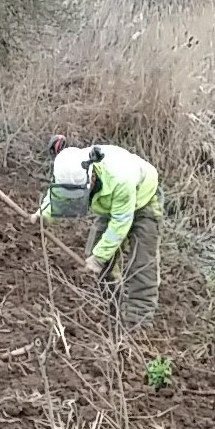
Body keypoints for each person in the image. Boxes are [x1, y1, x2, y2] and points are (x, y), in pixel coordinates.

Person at [28, 136, 164, 327]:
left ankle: (139, 321)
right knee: (96, 253)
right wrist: (43, 215)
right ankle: (111, 309)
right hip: (111, 206)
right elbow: (58, 195)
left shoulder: (120, 177)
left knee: (141, 263)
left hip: (143, 200)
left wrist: (99, 258)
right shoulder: (67, 167)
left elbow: (120, 223)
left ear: (91, 177)